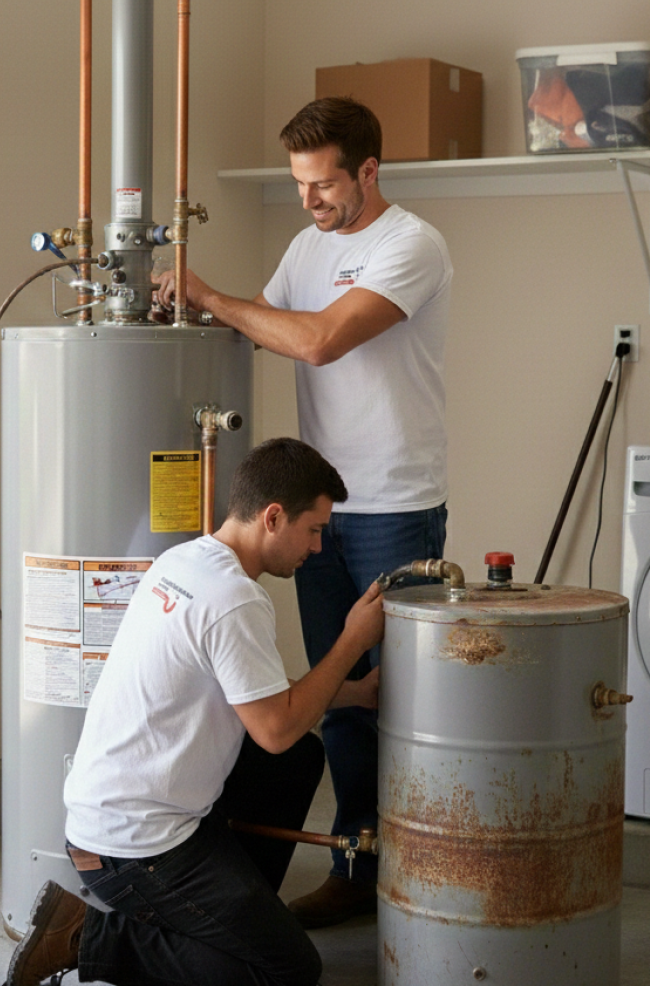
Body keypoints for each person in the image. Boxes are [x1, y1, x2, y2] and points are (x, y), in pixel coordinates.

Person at [155, 96, 451, 926]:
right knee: (341, 692)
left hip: (396, 505)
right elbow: (267, 327)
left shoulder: (411, 244)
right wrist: (186, 312)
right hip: (323, 509)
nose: (309, 200)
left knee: (407, 699)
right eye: (298, 183)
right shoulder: (305, 246)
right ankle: (358, 868)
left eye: (322, 184)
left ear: (368, 170)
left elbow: (318, 339)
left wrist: (212, 293)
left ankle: (423, 878)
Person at [5, 438, 387, 986]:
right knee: (289, 970)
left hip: (107, 816)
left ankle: (227, 918)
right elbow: (275, 729)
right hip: (134, 848)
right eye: (313, 529)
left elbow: (257, 691)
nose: (317, 546)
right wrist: (352, 640)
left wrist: (356, 693)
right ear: (273, 517)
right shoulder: (235, 599)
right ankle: (86, 935)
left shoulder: (184, 561)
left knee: (297, 760)